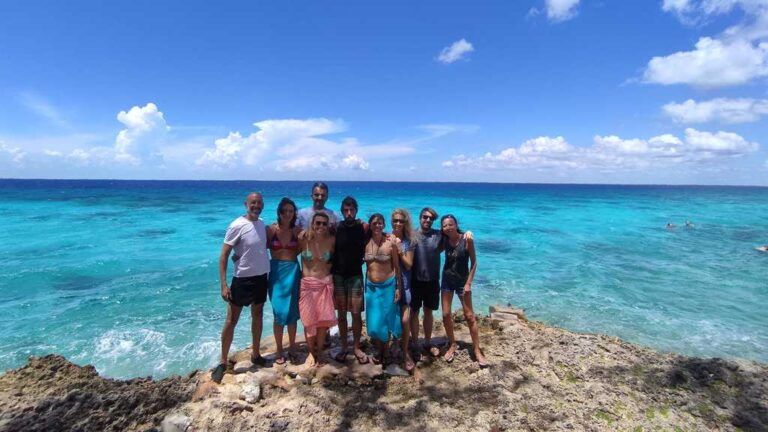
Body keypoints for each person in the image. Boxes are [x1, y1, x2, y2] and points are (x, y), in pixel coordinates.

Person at [212, 192, 270, 384]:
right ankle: (222, 361)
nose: (256, 206)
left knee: (258, 315)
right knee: (231, 320)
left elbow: (256, 248)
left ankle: (255, 354)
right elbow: (223, 256)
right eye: (253, 203)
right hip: (242, 279)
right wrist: (224, 284)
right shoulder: (236, 225)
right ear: (246, 204)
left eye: (259, 203)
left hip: (261, 277)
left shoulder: (261, 224)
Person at [439, 214, 488, 368]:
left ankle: (477, 350)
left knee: (470, 316)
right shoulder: (444, 239)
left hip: (462, 282)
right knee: (446, 314)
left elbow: (474, 263)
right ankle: (452, 344)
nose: (447, 228)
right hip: (447, 279)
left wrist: (468, 283)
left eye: (450, 224)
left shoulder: (467, 240)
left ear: (455, 224)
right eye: (444, 225)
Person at [331, 196, 369, 364]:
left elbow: (377, 232)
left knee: (355, 314)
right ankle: (344, 346)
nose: (348, 213)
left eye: (351, 210)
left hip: (355, 275)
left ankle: (356, 347)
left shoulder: (363, 227)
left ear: (356, 211)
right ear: (341, 211)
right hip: (338, 275)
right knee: (340, 315)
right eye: (345, 210)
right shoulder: (336, 228)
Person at [298, 212, 337, 366]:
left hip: (324, 285)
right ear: (312, 224)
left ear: (328, 226)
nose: (320, 226)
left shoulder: (332, 241)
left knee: (322, 323)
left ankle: (319, 352)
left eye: (324, 223)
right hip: (307, 285)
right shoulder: (303, 239)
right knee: (308, 321)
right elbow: (285, 252)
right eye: (318, 223)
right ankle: (310, 352)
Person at [266, 197, 302, 365]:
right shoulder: (271, 230)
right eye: (284, 211)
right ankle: (280, 349)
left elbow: (307, 250)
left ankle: (293, 347)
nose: (288, 214)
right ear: (279, 212)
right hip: (276, 274)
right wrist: (239, 255)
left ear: (294, 213)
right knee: (278, 313)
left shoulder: (298, 231)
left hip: (293, 272)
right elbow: (257, 247)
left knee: (292, 313)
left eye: (291, 211)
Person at [363, 213, 402, 365]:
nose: (377, 226)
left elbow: (397, 266)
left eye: (380, 223)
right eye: (374, 223)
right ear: (370, 225)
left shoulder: (390, 242)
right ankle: (381, 349)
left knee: (387, 319)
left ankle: (385, 351)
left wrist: (398, 287)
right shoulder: (365, 242)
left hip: (388, 285)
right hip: (371, 287)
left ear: (384, 225)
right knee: (374, 320)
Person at [410, 207, 444, 358]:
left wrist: (466, 234)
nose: (428, 220)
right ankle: (416, 343)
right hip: (415, 280)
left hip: (432, 280)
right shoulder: (412, 235)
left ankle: (428, 341)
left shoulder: (438, 235)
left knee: (429, 312)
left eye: (431, 218)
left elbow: (454, 235)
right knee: (414, 312)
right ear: (420, 218)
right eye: (425, 217)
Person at [391, 208, 417, 372]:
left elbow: (408, 264)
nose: (398, 223)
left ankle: (405, 350)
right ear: (392, 221)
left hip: (406, 284)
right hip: (389, 284)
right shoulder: (387, 237)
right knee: (391, 319)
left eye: (401, 221)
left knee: (405, 320)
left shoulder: (409, 241)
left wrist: (399, 248)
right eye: (396, 220)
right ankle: (391, 347)